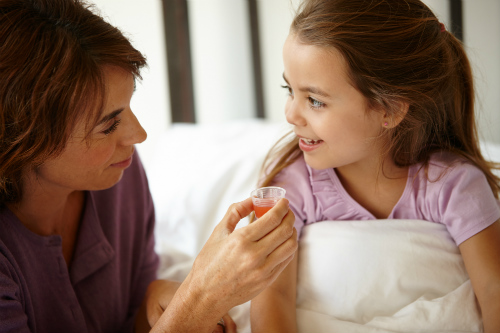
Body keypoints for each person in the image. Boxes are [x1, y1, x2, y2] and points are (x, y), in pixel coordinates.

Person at [0, 1, 298, 332]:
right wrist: (198, 301)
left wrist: (152, 307)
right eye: (109, 125)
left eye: (127, 107)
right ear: (23, 141)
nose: (139, 135)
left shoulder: (119, 180)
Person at [249, 0, 500, 332]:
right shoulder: (292, 187)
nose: (291, 114)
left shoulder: (455, 185)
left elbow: (494, 290)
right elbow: (272, 295)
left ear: (389, 110)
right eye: (289, 90)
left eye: (315, 100)